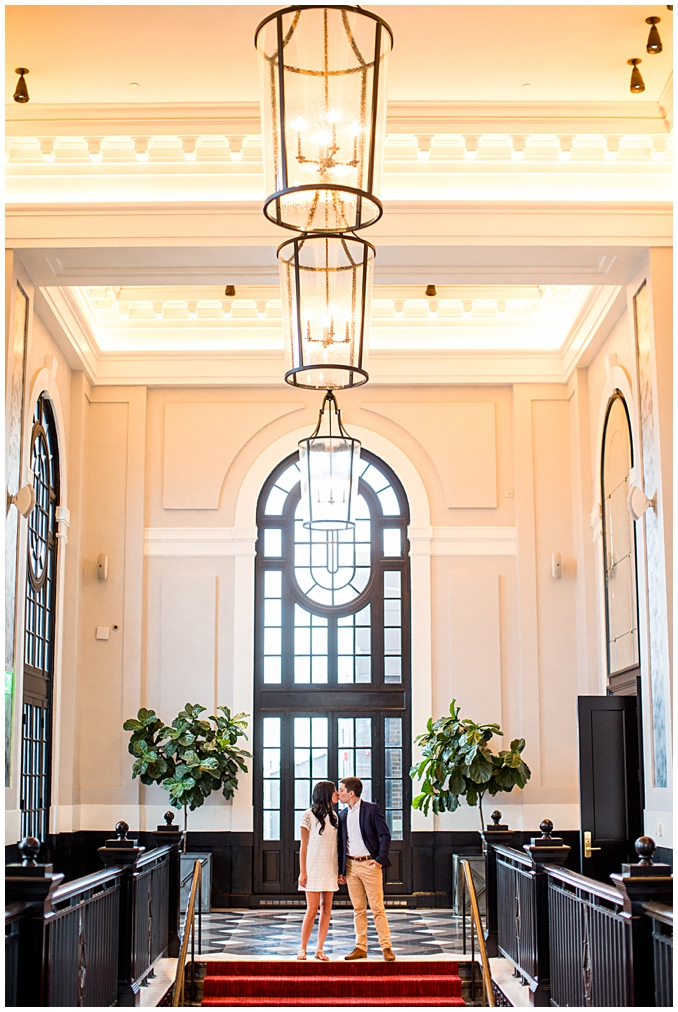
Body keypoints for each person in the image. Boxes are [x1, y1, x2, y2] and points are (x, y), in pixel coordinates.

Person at [337, 777, 396, 962]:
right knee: (358, 909)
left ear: (351, 793)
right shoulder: (342, 814)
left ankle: (386, 947)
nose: (339, 794)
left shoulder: (371, 809)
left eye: (341, 790)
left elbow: (385, 835)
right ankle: (360, 946)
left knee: (377, 907)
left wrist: (379, 860)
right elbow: (341, 844)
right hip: (351, 866)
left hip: (370, 864)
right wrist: (341, 870)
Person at [297, 780, 339, 961]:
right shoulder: (308, 815)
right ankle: (303, 948)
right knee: (312, 909)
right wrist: (303, 871)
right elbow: (303, 846)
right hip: (313, 866)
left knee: (327, 909)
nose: (337, 793)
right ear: (325, 794)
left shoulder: (335, 817)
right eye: (334, 790)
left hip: (330, 866)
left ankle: (320, 949)